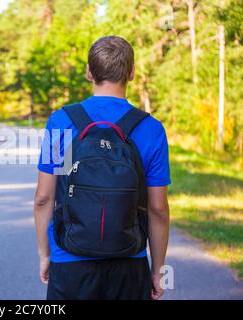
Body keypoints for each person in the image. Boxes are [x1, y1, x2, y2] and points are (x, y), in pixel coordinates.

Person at [34, 36, 171, 300]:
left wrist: (45, 254)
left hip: (69, 261)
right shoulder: (152, 129)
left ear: (89, 72)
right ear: (131, 73)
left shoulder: (61, 122)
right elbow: (158, 209)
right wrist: (158, 271)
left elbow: (43, 199)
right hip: (129, 262)